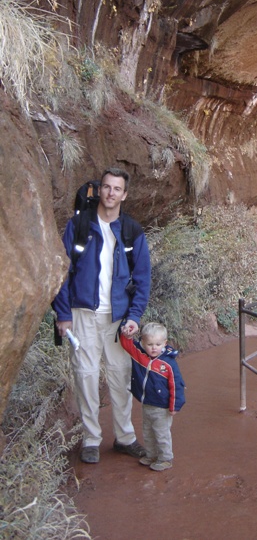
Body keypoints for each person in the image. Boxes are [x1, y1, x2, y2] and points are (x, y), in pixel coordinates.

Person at [52, 168, 151, 464]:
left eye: (116, 189)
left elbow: (143, 278)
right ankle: (91, 439)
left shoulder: (132, 231)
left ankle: (125, 437)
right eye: (106, 187)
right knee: (85, 375)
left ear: (124, 194)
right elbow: (62, 271)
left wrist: (134, 316)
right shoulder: (79, 225)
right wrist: (63, 314)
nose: (110, 193)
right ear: (100, 190)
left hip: (118, 319)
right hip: (82, 314)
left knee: (121, 377)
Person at [120, 322, 185, 471]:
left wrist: (175, 406)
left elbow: (177, 385)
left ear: (165, 343)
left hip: (162, 407)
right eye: (149, 344)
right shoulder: (140, 356)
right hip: (147, 404)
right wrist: (126, 332)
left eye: (157, 344)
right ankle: (151, 455)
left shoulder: (168, 364)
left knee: (161, 434)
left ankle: (165, 458)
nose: (154, 348)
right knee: (148, 432)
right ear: (142, 342)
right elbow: (127, 345)